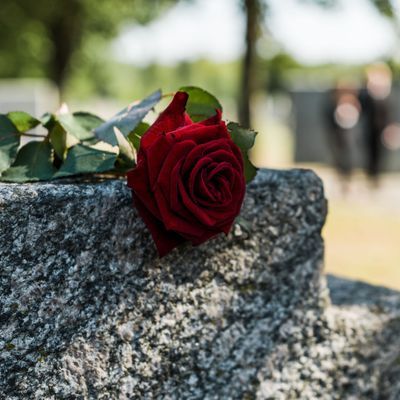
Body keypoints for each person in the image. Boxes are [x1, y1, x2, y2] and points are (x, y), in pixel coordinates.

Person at [358, 63, 392, 185]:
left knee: (380, 154)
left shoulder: (386, 94)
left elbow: (389, 113)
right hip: (369, 129)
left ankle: (376, 177)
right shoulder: (366, 94)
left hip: (382, 129)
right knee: (369, 153)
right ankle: (371, 176)